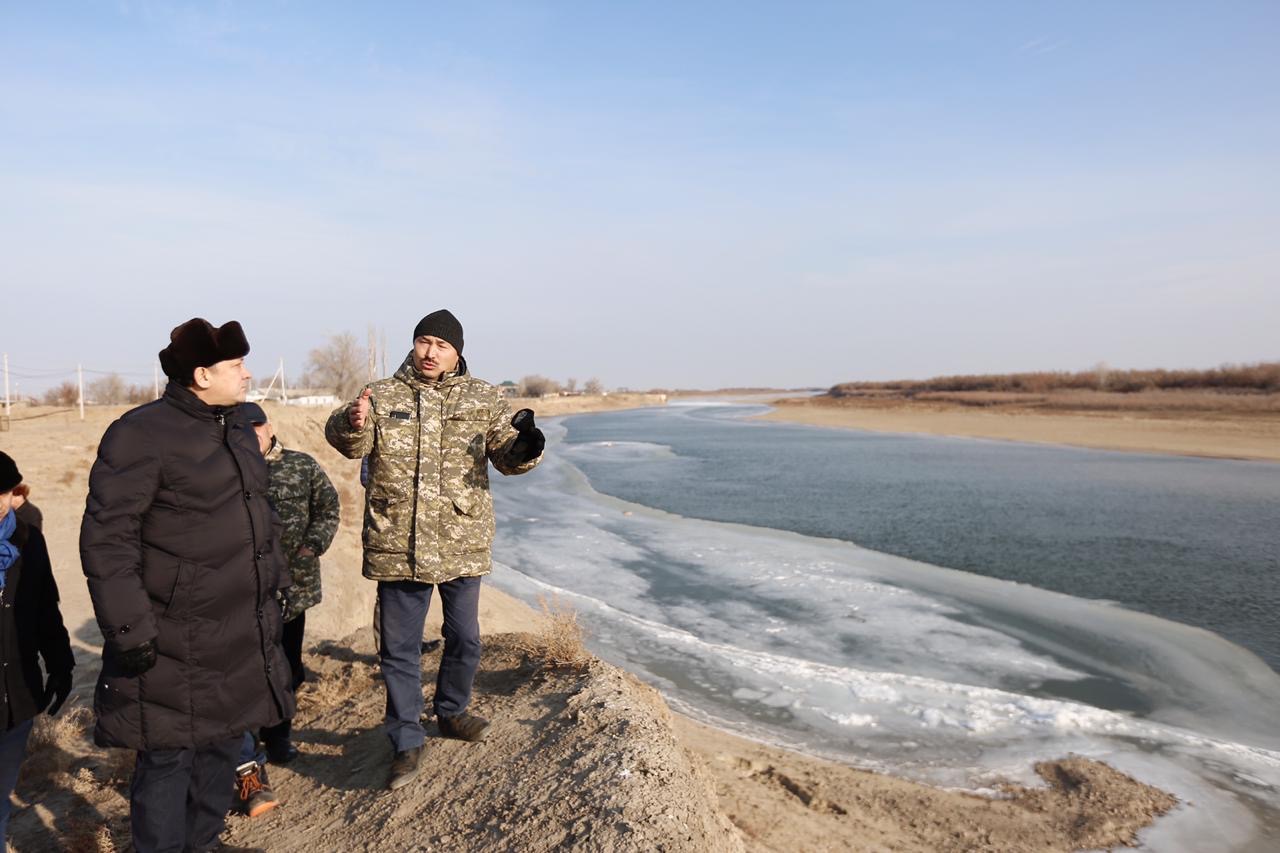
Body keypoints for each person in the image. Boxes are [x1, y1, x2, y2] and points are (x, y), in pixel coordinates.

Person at [80, 318, 294, 853]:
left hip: (238, 631)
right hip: (172, 637)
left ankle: (203, 843)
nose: (247, 374)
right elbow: (107, 539)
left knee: (221, 750)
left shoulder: (238, 426)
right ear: (202, 374)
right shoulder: (141, 433)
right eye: (236, 365)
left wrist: (276, 582)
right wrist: (129, 629)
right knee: (167, 759)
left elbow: (257, 516)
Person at [325, 309, 544, 790]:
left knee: (465, 638)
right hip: (398, 540)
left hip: (460, 540)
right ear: (414, 344)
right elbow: (349, 442)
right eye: (424, 341)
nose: (430, 352)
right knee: (399, 649)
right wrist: (351, 422)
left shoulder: (484, 396)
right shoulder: (381, 394)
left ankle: (451, 711)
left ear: (457, 352)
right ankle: (406, 740)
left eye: (442, 345)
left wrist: (528, 445)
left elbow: (506, 456)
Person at [231, 401, 340, 816]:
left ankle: (278, 738)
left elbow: (328, 506)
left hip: (294, 589)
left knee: (288, 669)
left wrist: (313, 545)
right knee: (249, 673)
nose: (252, 434)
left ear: (269, 426)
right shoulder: (230, 471)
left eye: (257, 426)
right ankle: (249, 752)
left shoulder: (301, 465)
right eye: (243, 428)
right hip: (247, 594)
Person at [0, 452, 74, 850]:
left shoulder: (29, 539)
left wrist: (61, 664)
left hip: (17, 694)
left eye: (3, 492)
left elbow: (46, 607)